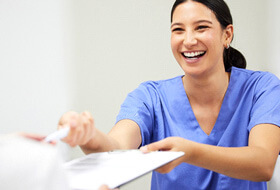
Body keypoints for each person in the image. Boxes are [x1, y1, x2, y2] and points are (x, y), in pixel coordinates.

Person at [58, 0, 280, 189]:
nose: (189, 40)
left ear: (227, 34)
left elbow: (262, 163)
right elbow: (116, 147)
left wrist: (190, 152)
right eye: (178, 30)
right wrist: (88, 136)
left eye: (201, 27)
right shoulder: (150, 97)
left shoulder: (262, 88)